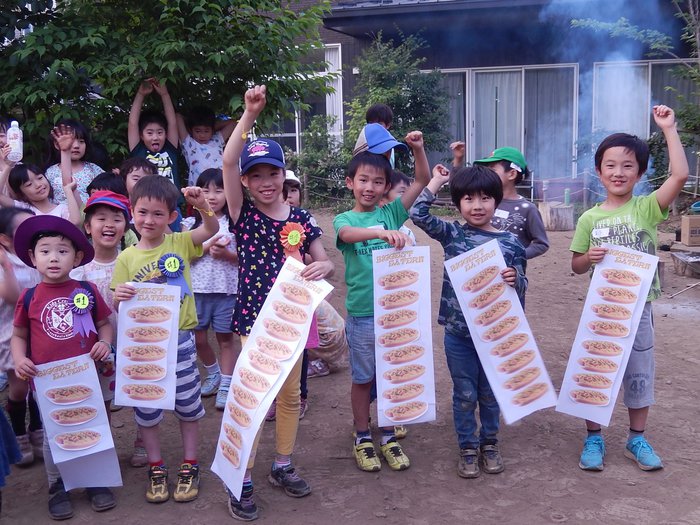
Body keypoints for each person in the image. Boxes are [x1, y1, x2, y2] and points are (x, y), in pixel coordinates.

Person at [222, 84, 333, 521]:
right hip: (254, 319)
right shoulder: (242, 214)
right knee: (254, 399)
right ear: (246, 183)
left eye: (274, 175)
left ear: (284, 178)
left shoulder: (303, 218)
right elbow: (228, 159)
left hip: (294, 317)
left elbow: (322, 261)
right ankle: (242, 479)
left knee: (289, 397)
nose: (266, 183)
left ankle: (282, 464)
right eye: (257, 176)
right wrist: (249, 115)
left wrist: (321, 268)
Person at [570, 105, 688, 472]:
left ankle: (636, 438)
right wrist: (588, 257)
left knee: (639, 373)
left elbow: (681, 174)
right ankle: (594, 438)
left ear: (639, 172)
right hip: (601, 309)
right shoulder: (589, 218)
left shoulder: (646, 209)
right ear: (598, 171)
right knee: (596, 371)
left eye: (627, 165)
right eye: (610, 165)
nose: (618, 172)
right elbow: (575, 266)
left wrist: (668, 128)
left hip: (640, 309)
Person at [410, 164, 527, 479]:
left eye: (486, 198)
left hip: (495, 335)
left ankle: (489, 443)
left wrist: (515, 278)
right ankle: (467, 447)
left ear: (497, 201)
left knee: (490, 393)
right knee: (464, 393)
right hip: (459, 334)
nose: (477, 206)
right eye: (469, 199)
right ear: (458, 203)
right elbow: (418, 214)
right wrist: (436, 181)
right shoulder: (452, 234)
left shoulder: (512, 243)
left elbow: (523, 288)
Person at [112, 175, 218, 503]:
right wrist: (121, 294)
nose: (149, 220)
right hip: (142, 347)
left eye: (159, 214)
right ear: (132, 213)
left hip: (181, 340)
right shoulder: (126, 258)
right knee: (146, 409)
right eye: (142, 212)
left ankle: (190, 463)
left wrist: (202, 206)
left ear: (172, 217)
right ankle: (156, 466)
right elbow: (115, 298)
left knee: (187, 405)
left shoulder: (180, 243)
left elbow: (211, 231)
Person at [334, 124, 429, 473]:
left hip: (396, 313)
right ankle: (362, 436)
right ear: (350, 183)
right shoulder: (346, 219)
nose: (369, 187)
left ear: (386, 187)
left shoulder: (392, 212)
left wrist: (417, 148)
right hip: (361, 315)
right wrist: (378, 232)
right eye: (363, 180)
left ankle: (387, 434)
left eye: (377, 182)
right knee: (363, 379)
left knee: (392, 375)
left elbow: (421, 181)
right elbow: (346, 234)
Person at [10, 215, 116, 519]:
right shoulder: (29, 297)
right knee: (55, 433)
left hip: (88, 379)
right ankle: (58, 485)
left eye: (62, 251)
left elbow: (103, 325)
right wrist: (19, 359)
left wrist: (105, 344)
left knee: (92, 426)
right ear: (32, 258)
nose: (53, 258)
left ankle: (96, 480)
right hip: (47, 383)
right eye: (45, 251)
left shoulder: (88, 290)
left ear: (77, 256)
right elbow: (19, 336)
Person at [181, 168, 239, 409]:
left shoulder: (235, 223)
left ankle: (226, 382)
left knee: (226, 339)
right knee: (199, 339)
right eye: (206, 190)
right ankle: (213, 372)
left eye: (219, 189)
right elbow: (182, 257)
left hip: (227, 291)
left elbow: (242, 259)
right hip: (197, 292)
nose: (212, 196)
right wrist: (206, 248)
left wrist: (226, 254)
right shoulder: (188, 224)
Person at [70, 191, 130, 418]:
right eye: (101, 218)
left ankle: (142, 441)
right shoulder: (77, 271)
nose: (109, 225)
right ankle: (105, 447)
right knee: (99, 396)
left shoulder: (133, 261)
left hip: (130, 342)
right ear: (87, 226)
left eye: (117, 219)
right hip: (97, 349)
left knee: (141, 394)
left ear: (125, 227)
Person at [0, 207, 42, 467]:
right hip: (10, 334)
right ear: (5, 239)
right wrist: (6, 265)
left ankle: (37, 429)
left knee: (39, 383)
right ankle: (18, 431)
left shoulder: (38, 252)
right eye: (22, 230)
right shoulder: (4, 261)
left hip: (40, 329)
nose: (31, 233)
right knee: (20, 387)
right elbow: (14, 297)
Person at [474, 147, 549, 265]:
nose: (487, 175)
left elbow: (541, 244)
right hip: (478, 267)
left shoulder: (527, 209)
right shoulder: (482, 201)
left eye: (492, 170)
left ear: (512, 174)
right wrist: (458, 161)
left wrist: (517, 255)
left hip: (511, 276)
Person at [0, 146, 81, 226]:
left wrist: (68, 191)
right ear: (21, 193)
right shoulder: (22, 209)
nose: (38, 185)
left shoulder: (62, 209)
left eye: (40, 178)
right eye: (29, 184)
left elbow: (75, 222)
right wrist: (8, 166)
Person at [128, 78, 181, 188]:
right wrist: (140, 94)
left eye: (160, 132)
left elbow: (172, 123)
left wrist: (165, 94)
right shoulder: (138, 151)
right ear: (141, 135)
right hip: (146, 202)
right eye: (150, 133)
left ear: (166, 134)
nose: (155, 137)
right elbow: (132, 123)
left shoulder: (170, 149)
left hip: (171, 204)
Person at [44, 119, 103, 204]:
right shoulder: (50, 172)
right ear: (57, 144)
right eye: (71, 141)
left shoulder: (93, 170)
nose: (76, 146)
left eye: (81, 141)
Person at [177, 106, 235, 186]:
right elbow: (178, 117)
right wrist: (192, 123)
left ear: (212, 129)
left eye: (206, 131)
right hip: (198, 189)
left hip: (221, 186)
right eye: (198, 131)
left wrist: (211, 126)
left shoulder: (217, 140)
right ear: (191, 130)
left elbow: (233, 123)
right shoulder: (189, 143)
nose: (202, 135)